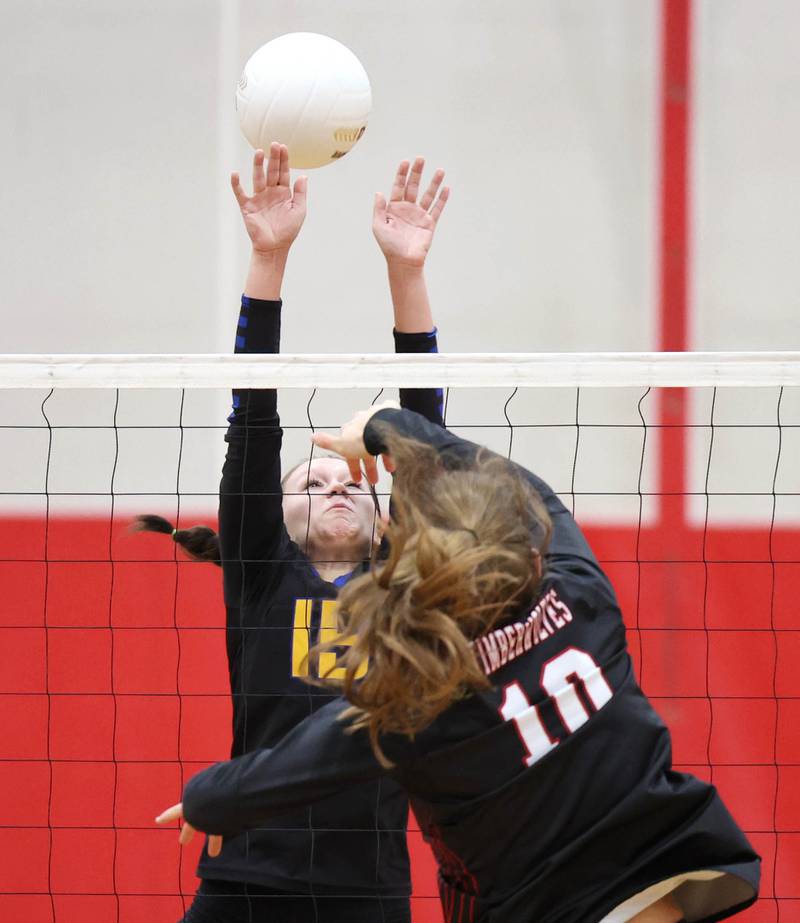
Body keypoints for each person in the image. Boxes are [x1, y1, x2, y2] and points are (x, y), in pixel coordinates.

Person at [157, 403, 761, 923]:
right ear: (521, 549)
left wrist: (213, 794)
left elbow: (313, 754)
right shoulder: (577, 589)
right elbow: (526, 493)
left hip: (544, 898)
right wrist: (392, 425)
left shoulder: (422, 697)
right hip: (659, 857)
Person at [142, 143, 450, 922]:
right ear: (273, 519)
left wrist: (406, 275)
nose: (338, 483)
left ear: (387, 516)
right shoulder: (261, 572)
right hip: (247, 881)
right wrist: (267, 257)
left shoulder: (402, 583)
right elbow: (252, 420)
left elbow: (428, 440)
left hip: (367, 893)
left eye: (353, 480)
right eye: (312, 482)